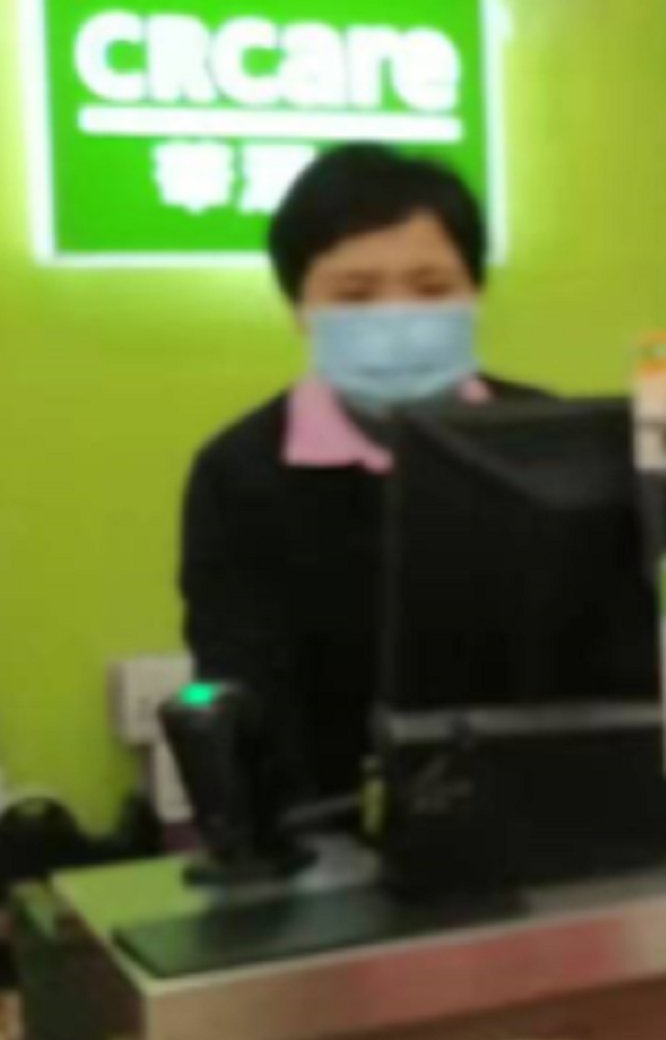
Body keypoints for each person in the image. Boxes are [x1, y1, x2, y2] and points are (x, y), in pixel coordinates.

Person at [179, 146, 539, 803]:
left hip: (548, 816)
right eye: (355, 294)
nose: (397, 318)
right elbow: (243, 694)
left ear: (477, 292)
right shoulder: (239, 472)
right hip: (330, 832)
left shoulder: (547, 438)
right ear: (298, 307)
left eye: (431, 289)